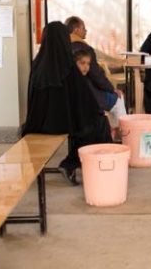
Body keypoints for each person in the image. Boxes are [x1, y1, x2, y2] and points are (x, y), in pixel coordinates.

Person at [22, 21, 112, 186]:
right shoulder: (68, 66)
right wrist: (98, 111)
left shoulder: (37, 65)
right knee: (97, 123)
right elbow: (83, 98)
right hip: (62, 124)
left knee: (85, 122)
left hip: (37, 123)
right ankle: (74, 164)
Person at [65, 16, 127, 139]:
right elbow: (95, 75)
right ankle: (123, 134)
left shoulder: (61, 47)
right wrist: (111, 89)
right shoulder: (84, 49)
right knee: (118, 99)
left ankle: (113, 131)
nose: (86, 31)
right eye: (83, 28)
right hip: (89, 93)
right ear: (76, 29)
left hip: (68, 97)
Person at [73, 50, 127, 140]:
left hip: (100, 98)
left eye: (88, 64)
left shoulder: (83, 78)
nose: (86, 67)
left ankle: (118, 130)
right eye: (82, 63)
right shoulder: (80, 81)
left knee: (119, 98)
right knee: (119, 98)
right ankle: (122, 132)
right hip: (100, 101)